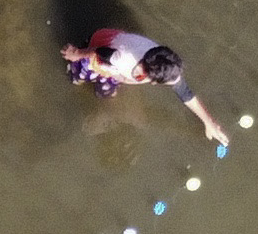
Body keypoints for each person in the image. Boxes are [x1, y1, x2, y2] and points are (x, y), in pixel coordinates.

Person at [62, 27, 231, 147]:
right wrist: (76, 54)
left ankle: (105, 95)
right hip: (98, 55)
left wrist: (209, 123)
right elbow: (100, 52)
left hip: (117, 71)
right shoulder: (123, 59)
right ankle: (76, 75)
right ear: (152, 79)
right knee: (77, 79)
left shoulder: (161, 62)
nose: (173, 83)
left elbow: (184, 92)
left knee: (106, 94)